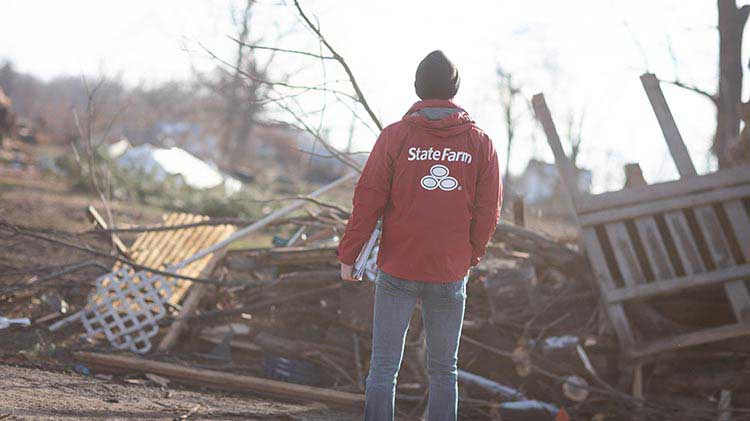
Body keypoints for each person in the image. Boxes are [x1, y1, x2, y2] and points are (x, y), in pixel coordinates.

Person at [337, 50, 502, 421]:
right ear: (454, 91)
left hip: (398, 268)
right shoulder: (480, 143)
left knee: (383, 368)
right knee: (444, 370)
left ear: (417, 87)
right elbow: (488, 211)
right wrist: (469, 256)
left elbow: (367, 200)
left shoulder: (396, 137)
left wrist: (350, 255)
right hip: (449, 271)